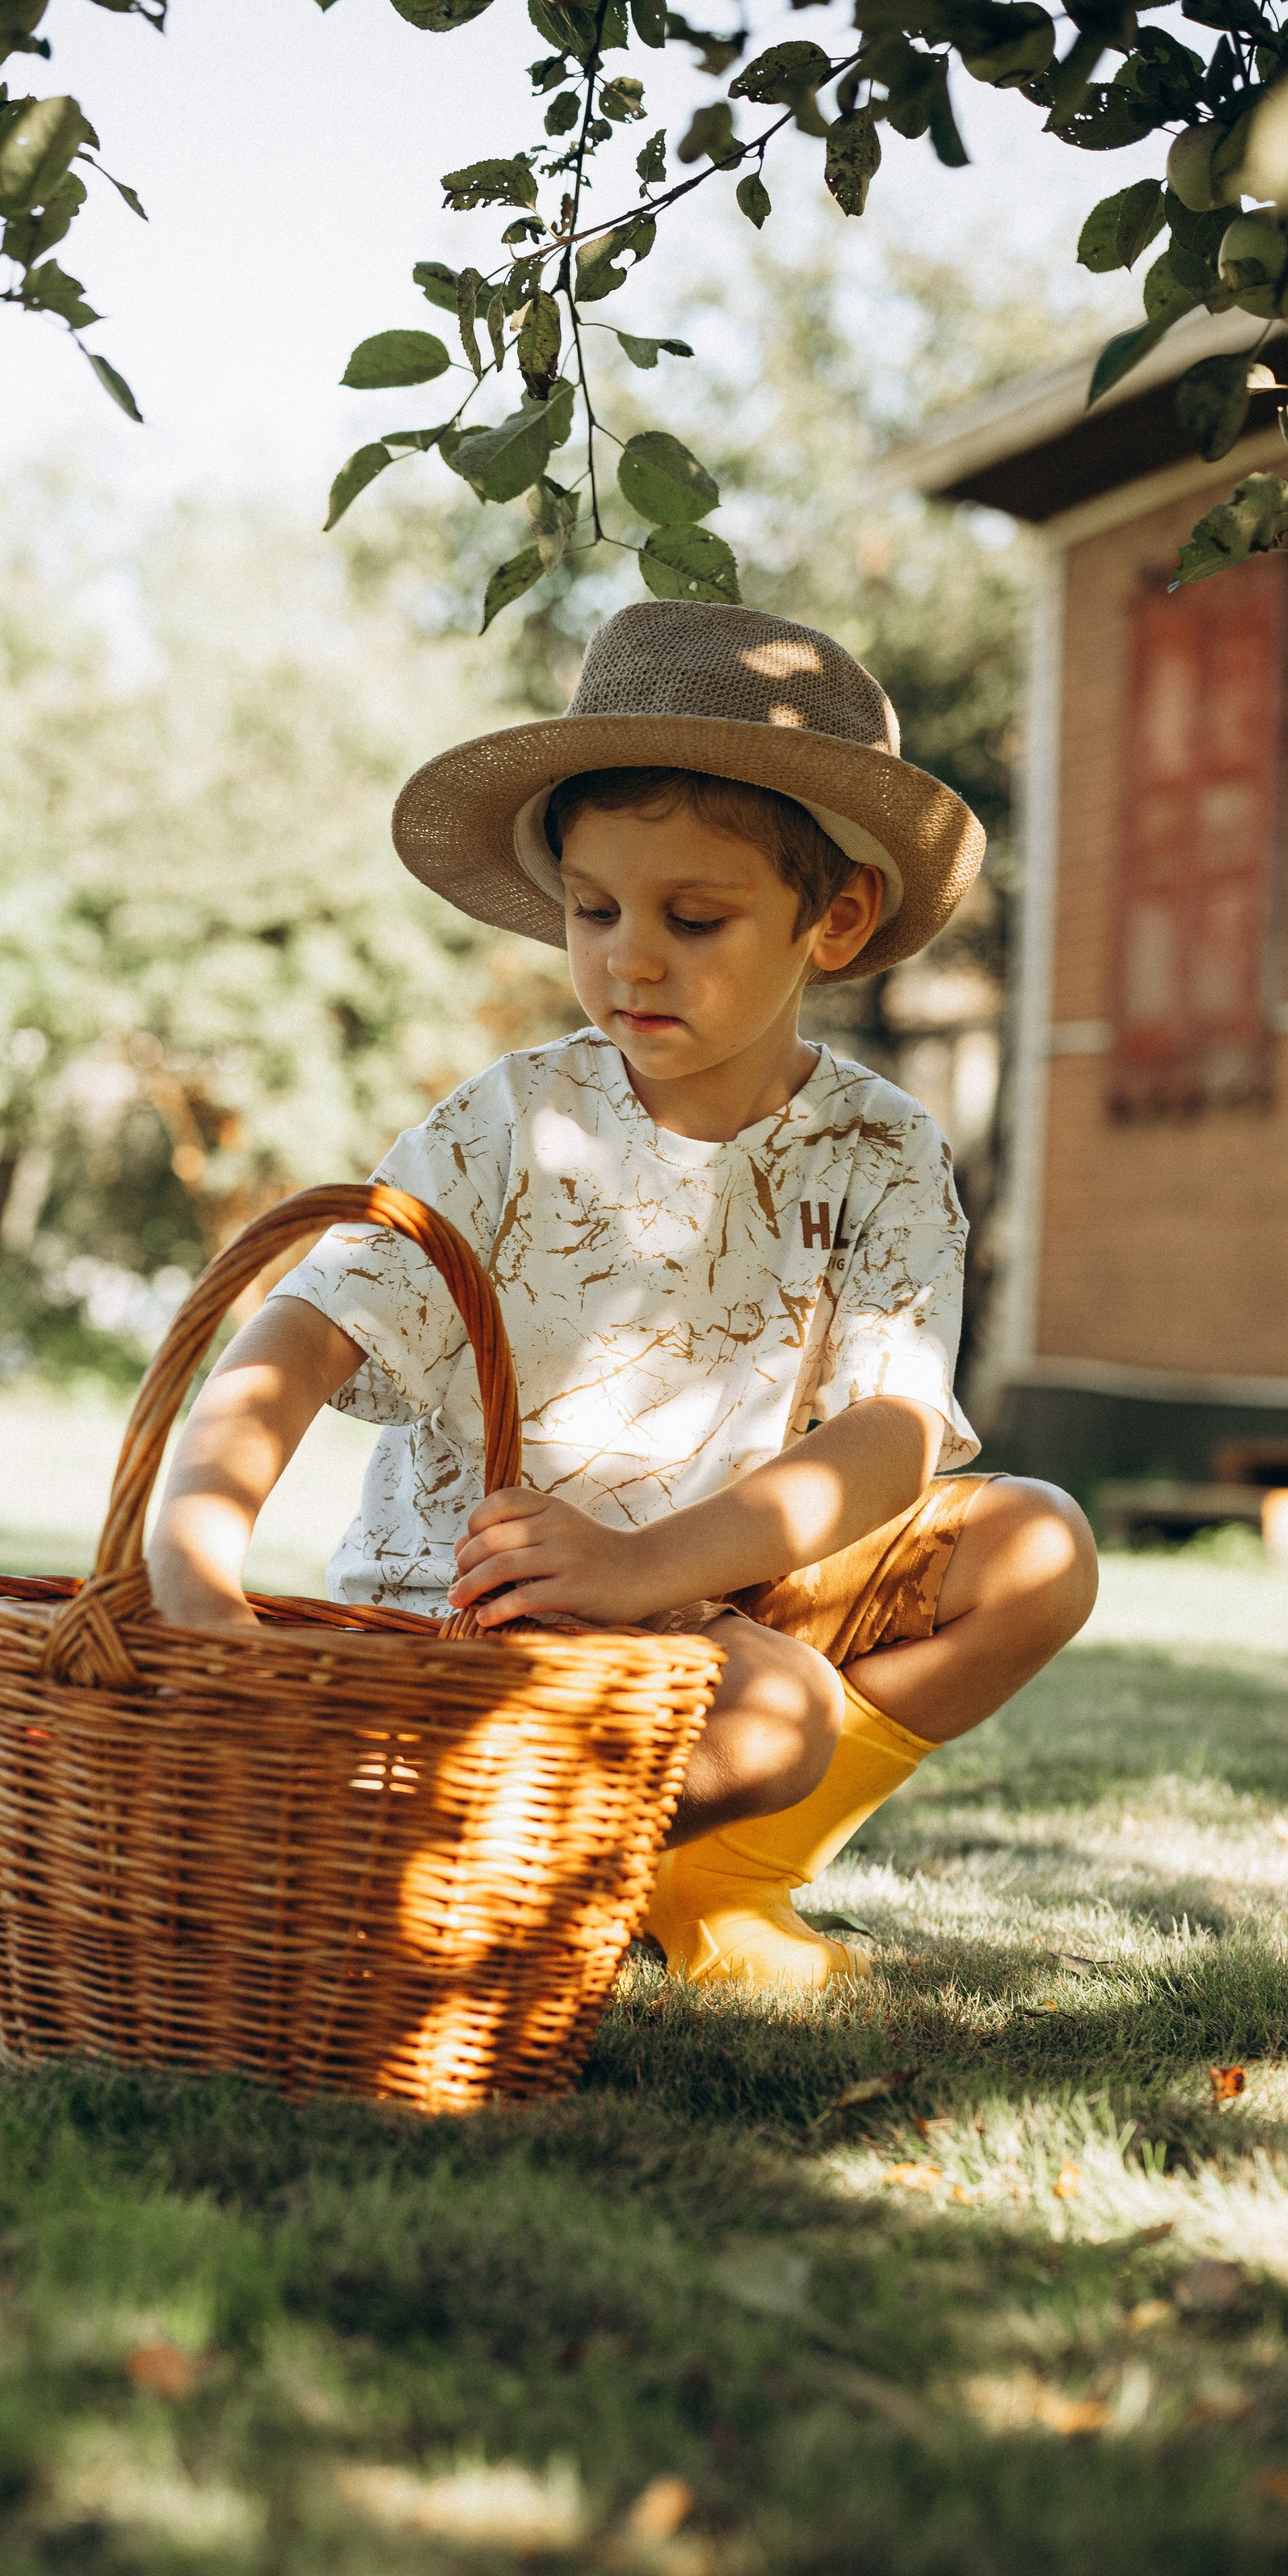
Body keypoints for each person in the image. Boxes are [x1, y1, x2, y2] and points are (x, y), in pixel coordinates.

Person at [146, 601, 1096, 1994]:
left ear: (834, 920)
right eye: (593, 910)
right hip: (488, 1611)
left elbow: (889, 1439)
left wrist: (649, 1569)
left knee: (1039, 1549)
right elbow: (298, 1333)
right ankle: (488, 1869)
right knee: (776, 1710)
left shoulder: (884, 1146)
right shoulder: (517, 1120)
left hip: (705, 1588)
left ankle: (702, 1875)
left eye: (692, 917)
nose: (627, 958)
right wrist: (191, 1553)